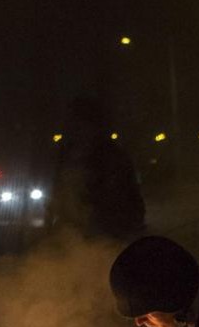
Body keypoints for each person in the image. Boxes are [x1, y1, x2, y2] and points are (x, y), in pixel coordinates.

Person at [48, 97, 146, 240]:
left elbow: (128, 198)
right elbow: (58, 194)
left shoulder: (112, 156)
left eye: (82, 124)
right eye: (75, 125)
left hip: (108, 235)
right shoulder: (66, 155)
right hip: (75, 236)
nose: (78, 130)